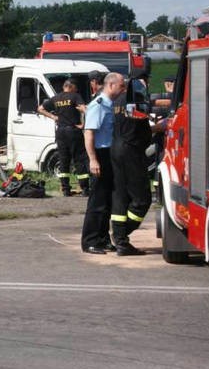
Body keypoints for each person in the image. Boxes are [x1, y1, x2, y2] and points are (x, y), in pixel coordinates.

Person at [110, 85, 167, 256]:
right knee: (142, 199)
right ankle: (120, 237)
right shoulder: (135, 101)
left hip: (117, 149)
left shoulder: (117, 101)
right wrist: (160, 126)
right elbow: (142, 127)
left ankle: (120, 240)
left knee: (120, 195)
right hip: (131, 152)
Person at [81, 72, 127, 255]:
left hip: (109, 155)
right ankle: (90, 241)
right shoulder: (98, 105)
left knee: (108, 200)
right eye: (121, 86)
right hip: (99, 155)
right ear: (111, 85)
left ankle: (103, 239)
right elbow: (89, 134)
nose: (123, 89)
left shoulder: (110, 105)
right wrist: (93, 159)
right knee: (97, 201)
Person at [38, 79, 89, 196]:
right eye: (76, 87)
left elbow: (40, 108)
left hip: (60, 132)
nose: (77, 89)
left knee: (63, 160)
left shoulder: (56, 98)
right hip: (73, 131)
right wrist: (84, 125)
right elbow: (85, 109)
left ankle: (65, 189)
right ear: (71, 87)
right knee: (79, 160)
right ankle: (85, 189)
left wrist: (53, 117)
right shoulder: (75, 96)